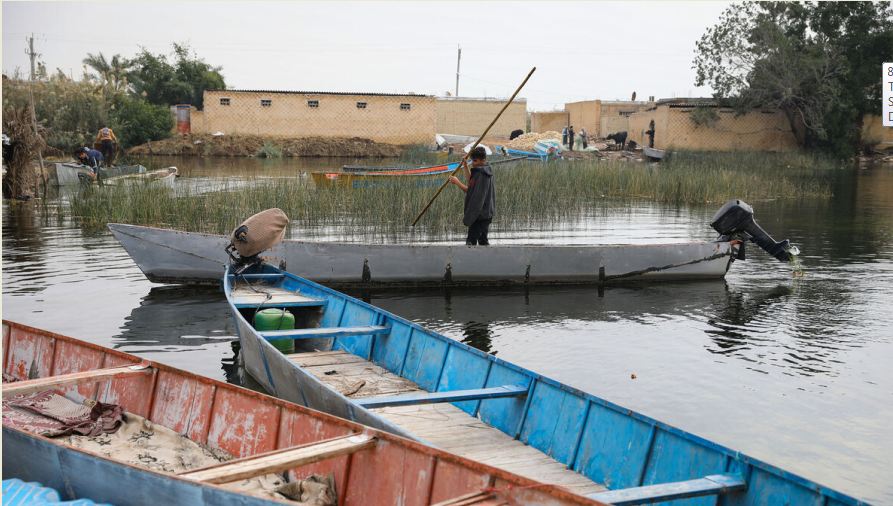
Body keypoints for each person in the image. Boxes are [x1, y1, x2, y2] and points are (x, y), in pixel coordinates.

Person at [449, 146, 496, 246]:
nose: (473, 163)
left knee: (470, 242)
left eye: (475, 161)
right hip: (486, 214)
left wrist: (457, 182)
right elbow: (472, 182)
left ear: (483, 160)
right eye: (472, 160)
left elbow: (470, 191)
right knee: (483, 241)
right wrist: (465, 166)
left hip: (480, 214)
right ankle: (486, 260)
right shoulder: (480, 170)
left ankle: (470, 261)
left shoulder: (483, 174)